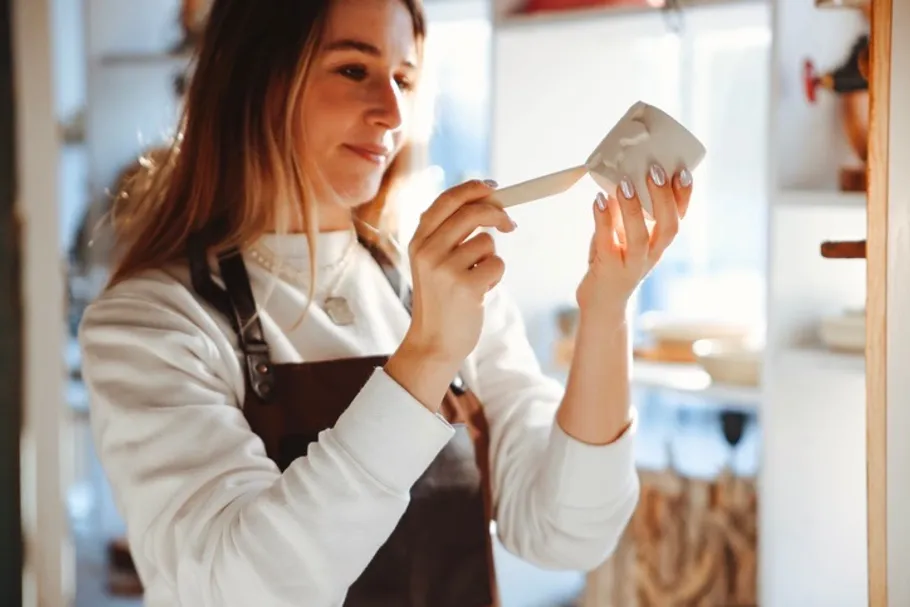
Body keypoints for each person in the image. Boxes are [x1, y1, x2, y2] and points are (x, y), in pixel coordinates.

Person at [78, 1, 694, 606]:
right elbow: (247, 591)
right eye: (353, 69)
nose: (393, 112)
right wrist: (426, 355)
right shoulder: (150, 324)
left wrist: (607, 307)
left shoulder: (438, 285)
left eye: (404, 78)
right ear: (256, 78)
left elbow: (567, 533)